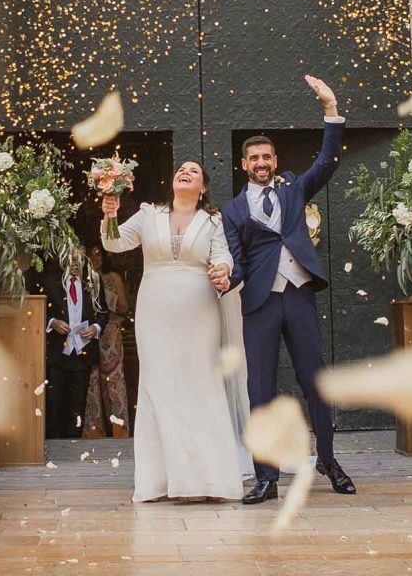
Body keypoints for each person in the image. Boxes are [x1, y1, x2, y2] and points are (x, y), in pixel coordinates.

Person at [217, 74, 357, 504]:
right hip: (258, 304)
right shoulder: (234, 210)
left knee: (315, 382)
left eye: (266, 156)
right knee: (260, 390)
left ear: (275, 160)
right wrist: (227, 278)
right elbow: (238, 262)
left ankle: (329, 461)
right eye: (254, 158)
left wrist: (330, 108)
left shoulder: (295, 191)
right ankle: (266, 477)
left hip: (298, 296)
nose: (261, 162)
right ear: (245, 165)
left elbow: (328, 161)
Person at [100, 160, 244, 502]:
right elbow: (114, 244)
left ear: (203, 187)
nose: (185, 173)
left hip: (199, 311)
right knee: (159, 386)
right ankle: (161, 482)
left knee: (200, 384)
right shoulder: (149, 215)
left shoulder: (213, 221)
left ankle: (209, 480)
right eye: (181, 169)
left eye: (194, 172)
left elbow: (223, 256)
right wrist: (110, 215)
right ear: (172, 179)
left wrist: (222, 270)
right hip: (155, 312)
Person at [36, 246, 108, 439]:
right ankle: (53, 444)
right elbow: (36, 311)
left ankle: (74, 445)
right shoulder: (49, 281)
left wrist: (96, 328)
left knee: (78, 403)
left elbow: (103, 314)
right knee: (54, 401)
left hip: (82, 352)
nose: (75, 264)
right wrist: (52, 322)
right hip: (57, 354)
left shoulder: (93, 282)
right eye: (72, 260)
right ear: (63, 259)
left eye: (79, 260)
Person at [83, 243, 131, 438]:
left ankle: (120, 429)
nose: (95, 259)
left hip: (110, 332)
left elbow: (124, 307)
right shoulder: (84, 280)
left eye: (98, 255)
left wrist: (109, 303)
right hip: (88, 333)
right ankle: (93, 430)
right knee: (92, 380)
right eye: (91, 255)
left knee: (114, 380)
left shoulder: (113, 278)